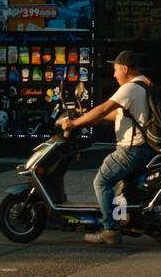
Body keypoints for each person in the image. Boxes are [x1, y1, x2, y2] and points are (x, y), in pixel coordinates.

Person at [57, 51, 154, 246]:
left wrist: (74, 124)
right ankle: (126, 219)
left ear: (124, 69)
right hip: (142, 148)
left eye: (116, 70)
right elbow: (119, 114)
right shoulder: (144, 84)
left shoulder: (129, 88)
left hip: (131, 149)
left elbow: (103, 108)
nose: (114, 75)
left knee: (101, 181)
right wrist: (89, 118)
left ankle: (110, 229)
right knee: (121, 188)